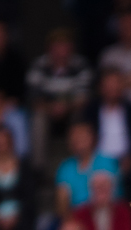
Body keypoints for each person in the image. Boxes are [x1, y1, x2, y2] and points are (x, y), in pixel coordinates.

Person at [26, 28, 93, 168]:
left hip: (72, 112)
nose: (61, 50)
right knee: (38, 118)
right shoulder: (39, 65)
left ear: (71, 47)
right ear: (49, 48)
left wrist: (65, 107)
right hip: (47, 113)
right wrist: (52, 107)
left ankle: (77, 164)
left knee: (81, 115)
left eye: (65, 45)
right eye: (57, 46)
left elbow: (83, 97)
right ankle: (39, 168)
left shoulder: (81, 65)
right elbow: (34, 97)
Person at [54, 120, 119, 217]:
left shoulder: (107, 162)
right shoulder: (65, 167)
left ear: (92, 137)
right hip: (76, 217)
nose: (77, 139)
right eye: (74, 136)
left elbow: (114, 197)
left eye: (82, 135)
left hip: (104, 215)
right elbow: (62, 204)